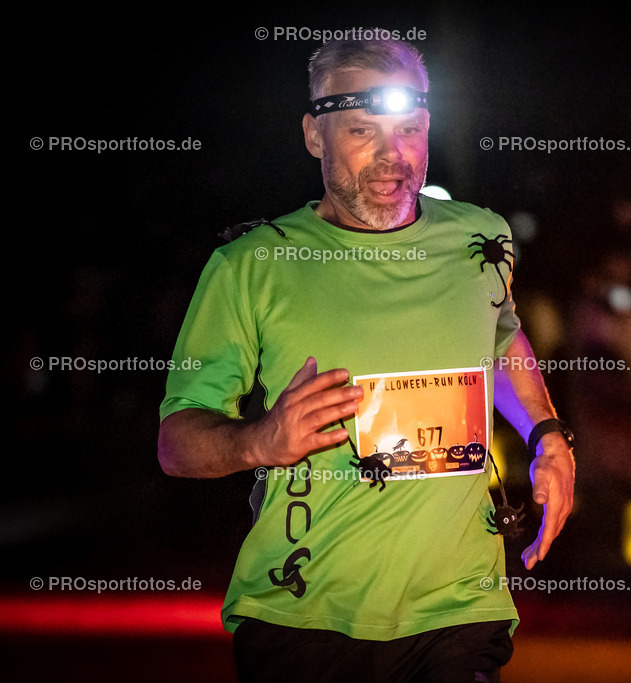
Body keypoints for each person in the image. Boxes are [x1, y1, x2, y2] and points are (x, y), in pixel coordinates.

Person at [157, 37, 575, 682]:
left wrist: (548, 435)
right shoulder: (252, 265)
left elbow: (498, 338)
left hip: (458, 609)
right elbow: (177, 443)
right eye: (361, 130)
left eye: (409, 129)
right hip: (303, 616)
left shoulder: (479, 239)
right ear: (314, 136)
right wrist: (258, 442)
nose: (392, 156)